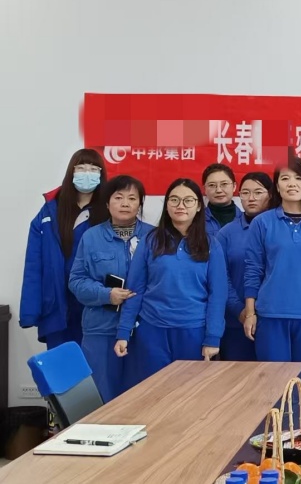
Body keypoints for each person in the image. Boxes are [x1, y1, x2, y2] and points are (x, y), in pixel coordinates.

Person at [114, 178, 227, 386]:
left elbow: (218, 295)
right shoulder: (151, 240)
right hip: (152, 331)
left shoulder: (212, 245)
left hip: (193, 332)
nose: (180, 205)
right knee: (153, 391)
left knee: (190, 393)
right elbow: (135, 289)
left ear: (198, 206)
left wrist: (213, 337)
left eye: (188, 200)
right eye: (174, 199)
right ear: (166, 205)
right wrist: (123, 332)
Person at [244, 157, 301, 362]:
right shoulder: (262, 223)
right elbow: (253, 270)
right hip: (271, 314)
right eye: (285, 178)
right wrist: (250, 312)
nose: (292, 184)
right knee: (272, 377)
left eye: (298, 178)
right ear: (277, 186)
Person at [68, 175, 153, 402]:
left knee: (143, 396)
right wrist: (107, 294)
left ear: (140, 204)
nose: (125, 203)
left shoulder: (154, 236)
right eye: (118, 197)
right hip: (101, 329)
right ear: (107, 203)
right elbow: (76, 281)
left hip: (145, 328)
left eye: (132, 198)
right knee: (103, 397)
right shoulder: (91, 237)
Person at [20, 149, 109, 348]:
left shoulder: (109, 211)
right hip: (57, 306)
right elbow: (34, 264)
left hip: (96, 306)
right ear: (72, 172)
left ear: (101, 174)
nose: (87, 174)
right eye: (81, 168)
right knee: (62, 365)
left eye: (93, 169)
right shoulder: (50, 211)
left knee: (95, 366)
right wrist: (29, 311)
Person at [215, 172, 273, 361]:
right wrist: (240, 310)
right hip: (236, 322)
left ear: (271, 195)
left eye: (258, 192)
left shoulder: (279, 229)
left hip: (274, 319)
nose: (251, 198)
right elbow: (221, 278)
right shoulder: (226, 234)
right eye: (245, 193)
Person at [203, 163, 240, 238]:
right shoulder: (196, 220)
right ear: (205, 189)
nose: (219, 190)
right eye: (212, 185)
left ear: (234, 186)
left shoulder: (247, 220)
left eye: (224, 184)